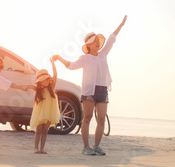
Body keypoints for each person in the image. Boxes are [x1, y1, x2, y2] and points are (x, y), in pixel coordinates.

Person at [53, 15, 127, 155]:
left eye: (98, 41)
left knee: (101, 119)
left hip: (102, 90)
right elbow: (71, 66)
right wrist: (59, 58)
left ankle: (97, 146)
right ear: (88, 45)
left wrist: (121, 25)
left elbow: (112, 38)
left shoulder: (103, 54)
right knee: (86, 118)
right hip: (88, 91)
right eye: (94, 42)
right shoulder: (84, 58)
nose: (97, 44)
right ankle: (86, 147)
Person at [26, 58, 60, 154]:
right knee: (39, 130)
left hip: (50, 112)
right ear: (39, 82)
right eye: (42, 81)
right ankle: (36, 148)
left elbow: (55, 75)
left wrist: (53, 64)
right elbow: (29, 86)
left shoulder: (52, 87)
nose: (45, 82)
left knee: (45, 131)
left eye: (46, 79)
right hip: (41, 112)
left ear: (49, 79)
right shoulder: (38, 90)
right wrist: (24, 87)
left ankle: (42, 148)